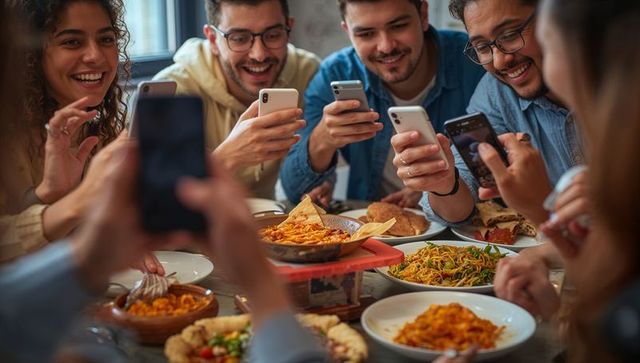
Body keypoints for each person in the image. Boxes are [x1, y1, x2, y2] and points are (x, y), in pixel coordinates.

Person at [0, 0, 166, 273]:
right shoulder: (9, 137)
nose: (95, 56)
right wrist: (55, 198)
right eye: (72, 42)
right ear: (30, 54)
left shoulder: (101, 124)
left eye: (106, 39)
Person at [392, 0, 584, 226]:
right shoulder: (496, 91)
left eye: (510, 34)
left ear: (554, 18)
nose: (500, 60)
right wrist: (444, 184)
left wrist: (542, 206)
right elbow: (460, 205)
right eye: (483, 47)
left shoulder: (621, 77)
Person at [280, 0, 485, 207]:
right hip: (370, 231)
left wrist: (436, 189)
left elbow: (499, 174)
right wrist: (322, 141)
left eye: (398, 26)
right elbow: (294, 192)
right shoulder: (334, 74)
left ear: (423, 15)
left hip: (466, 230)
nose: (386, 47)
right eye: (366, 34)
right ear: (348, 31)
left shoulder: (476, 60)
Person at [153, 0, 320, 199]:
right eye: (239, 39)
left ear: (289, 30)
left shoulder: (308, 73)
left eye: (273, 35)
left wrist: (322, 183)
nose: (259, 55)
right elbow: (158, 200)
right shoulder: (171, 92)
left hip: (271, 225)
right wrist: (227, 157)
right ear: (213, 40)